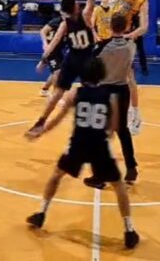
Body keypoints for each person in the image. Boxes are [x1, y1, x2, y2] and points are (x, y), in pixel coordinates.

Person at [25, 57, 140, 250]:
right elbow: (114, 127)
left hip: (78, 144)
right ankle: (129, 230)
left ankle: (41, 213)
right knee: (119, 185)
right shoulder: (110, 97)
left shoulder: (75, 93)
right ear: (102, 74)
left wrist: (41, 131)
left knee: (56, 176)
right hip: (99, 145)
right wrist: (104, 137)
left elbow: (58, 118)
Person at [27, 0, 101, 138]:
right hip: (86, 60)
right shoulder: (85, 15)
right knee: (93, 92)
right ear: (75, 7)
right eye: (76, 3)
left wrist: (43, 61)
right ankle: (91, 127)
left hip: (71, 60)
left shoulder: (64, 24)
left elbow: (52, 44)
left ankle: (41, 121)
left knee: (58, 93)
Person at [85, 13, 140, 186]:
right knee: (123, 130)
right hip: (123, 90)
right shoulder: (131, 46)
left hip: (105, 91)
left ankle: (100, 176)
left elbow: (90, 67)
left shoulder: (102, 47)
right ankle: (131, 167)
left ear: (110, 26)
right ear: (126, 27)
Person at [103, 0, 151, 77]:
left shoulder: (143, 1)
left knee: (125, 73)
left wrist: (129, 35)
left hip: (123, 35)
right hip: (108, 30)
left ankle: (140, 72)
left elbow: (144, 27)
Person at [38, 13, 65, 97]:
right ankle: (55, 94)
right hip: (51, 50)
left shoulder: (71, 23)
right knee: (57, 72)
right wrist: (45, 43)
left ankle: (44, 89)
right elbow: (43, 31)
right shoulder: (56, 21)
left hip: (58, 50)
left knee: (57, 72)